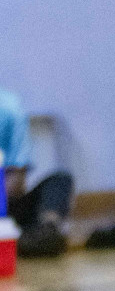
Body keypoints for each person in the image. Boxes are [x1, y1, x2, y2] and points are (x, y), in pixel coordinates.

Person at [2, 88, 72, 258]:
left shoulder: (9, 109)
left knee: (60, 180)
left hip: (5, 207)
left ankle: (47, 231)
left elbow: (17, 180)